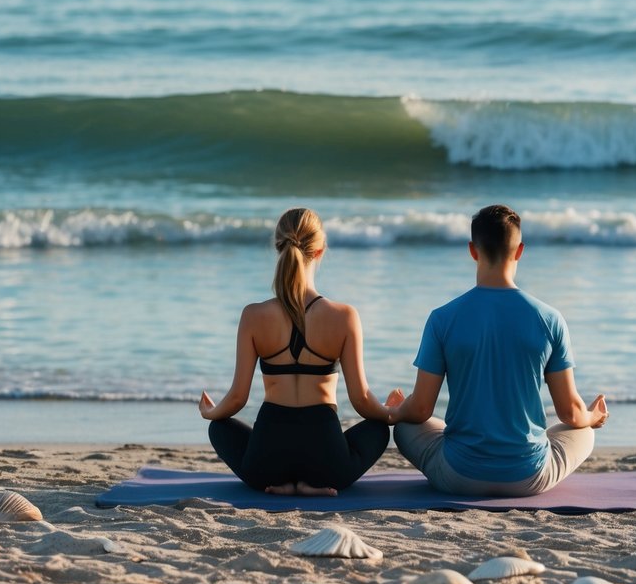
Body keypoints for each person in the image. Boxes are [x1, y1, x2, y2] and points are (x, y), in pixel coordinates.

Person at [388, 204, 608, 496]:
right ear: (519, 251)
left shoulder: (442, 318)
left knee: (404, 427)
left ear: (472, 250)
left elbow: (421, 409)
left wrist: (396, 410)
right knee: (583, 433)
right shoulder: (550, 319)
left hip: (458, 476)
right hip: (528, 478)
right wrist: (592, 417)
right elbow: (570, 412)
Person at [199, 207, 401, 495]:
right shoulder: (344, 316)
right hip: (327, 462)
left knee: (219, 428)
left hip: (266, 463)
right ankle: (314, 487)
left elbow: (237, 397)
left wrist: (211, 412)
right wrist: (389, 413)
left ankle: (281, 485)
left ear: (278, 247)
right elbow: (361, 400)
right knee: (378, 430)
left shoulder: (253, 315)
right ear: (319, 251)